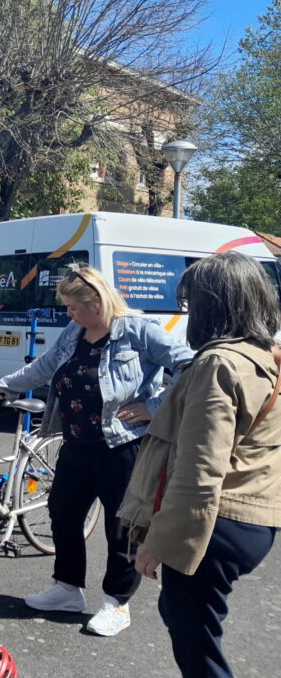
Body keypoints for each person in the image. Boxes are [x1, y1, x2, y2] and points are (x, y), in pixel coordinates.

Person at [0, 264, 192, 637]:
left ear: (97, 302)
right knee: (62, 514)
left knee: (122, 528)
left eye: (73, 307)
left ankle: (117, 603)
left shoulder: (138, 331)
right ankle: (67, 588)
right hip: (76, 443)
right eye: (67, 307)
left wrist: (154, 407)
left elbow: (191, 366)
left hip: (123, 446)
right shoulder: (75, 331)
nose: (69, 313)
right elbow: (45, 367)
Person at [119, 252, 281, 676]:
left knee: (196, 648)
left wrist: (159, 540)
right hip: (255, 519)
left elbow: (199, 469)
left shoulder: (217, 363)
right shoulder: (266, 357)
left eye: (189, 301)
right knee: (185, 619)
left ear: (211, 304)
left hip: (215, 523)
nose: (185, 311)